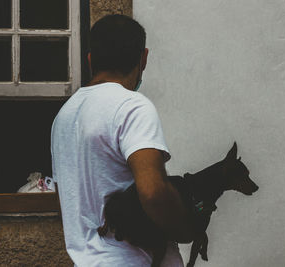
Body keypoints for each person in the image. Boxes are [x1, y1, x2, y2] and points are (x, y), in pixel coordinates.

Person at [51, 15, 194, 266]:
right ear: (144, 58)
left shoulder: (64, 117)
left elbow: (67, 199)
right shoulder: (132, 106)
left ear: (91, 59)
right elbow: (153, 192)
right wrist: (185, 229)